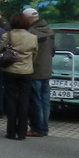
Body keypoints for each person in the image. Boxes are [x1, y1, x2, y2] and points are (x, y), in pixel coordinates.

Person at [0, 13, 39, 141]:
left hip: (10, 70)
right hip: (27, 71)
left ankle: (11, 131)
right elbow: (35, 54)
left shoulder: (7, 36)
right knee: (24, 101)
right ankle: (22, 132)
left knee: (11, 100)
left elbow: (0, 50)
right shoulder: (33, 37)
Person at [23, 8, 55, 137]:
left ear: (27, 19)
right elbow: (53, 51)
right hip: (47, 70)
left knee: (35, 101)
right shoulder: (49, 31)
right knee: (45, 101)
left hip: (35, 70)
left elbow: (29, 53)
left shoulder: (32, 33)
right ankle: (44, 127)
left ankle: (37, 128)